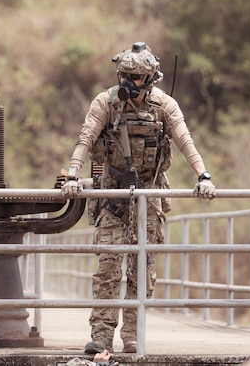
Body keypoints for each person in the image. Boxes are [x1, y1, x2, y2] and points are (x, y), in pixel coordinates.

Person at [61, 42, 216, 354]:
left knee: (141, 268)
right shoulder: (106, 102)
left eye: (135, 77)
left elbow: (185, 140)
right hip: (113, 195)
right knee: (108, 266)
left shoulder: (164, 106)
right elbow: (86, 136)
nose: (128, 83)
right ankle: (102, 335)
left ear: (150, 79)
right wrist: (74, 174)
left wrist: (203, 176)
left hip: (149, 195)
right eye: (124, 76)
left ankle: (132, 333)